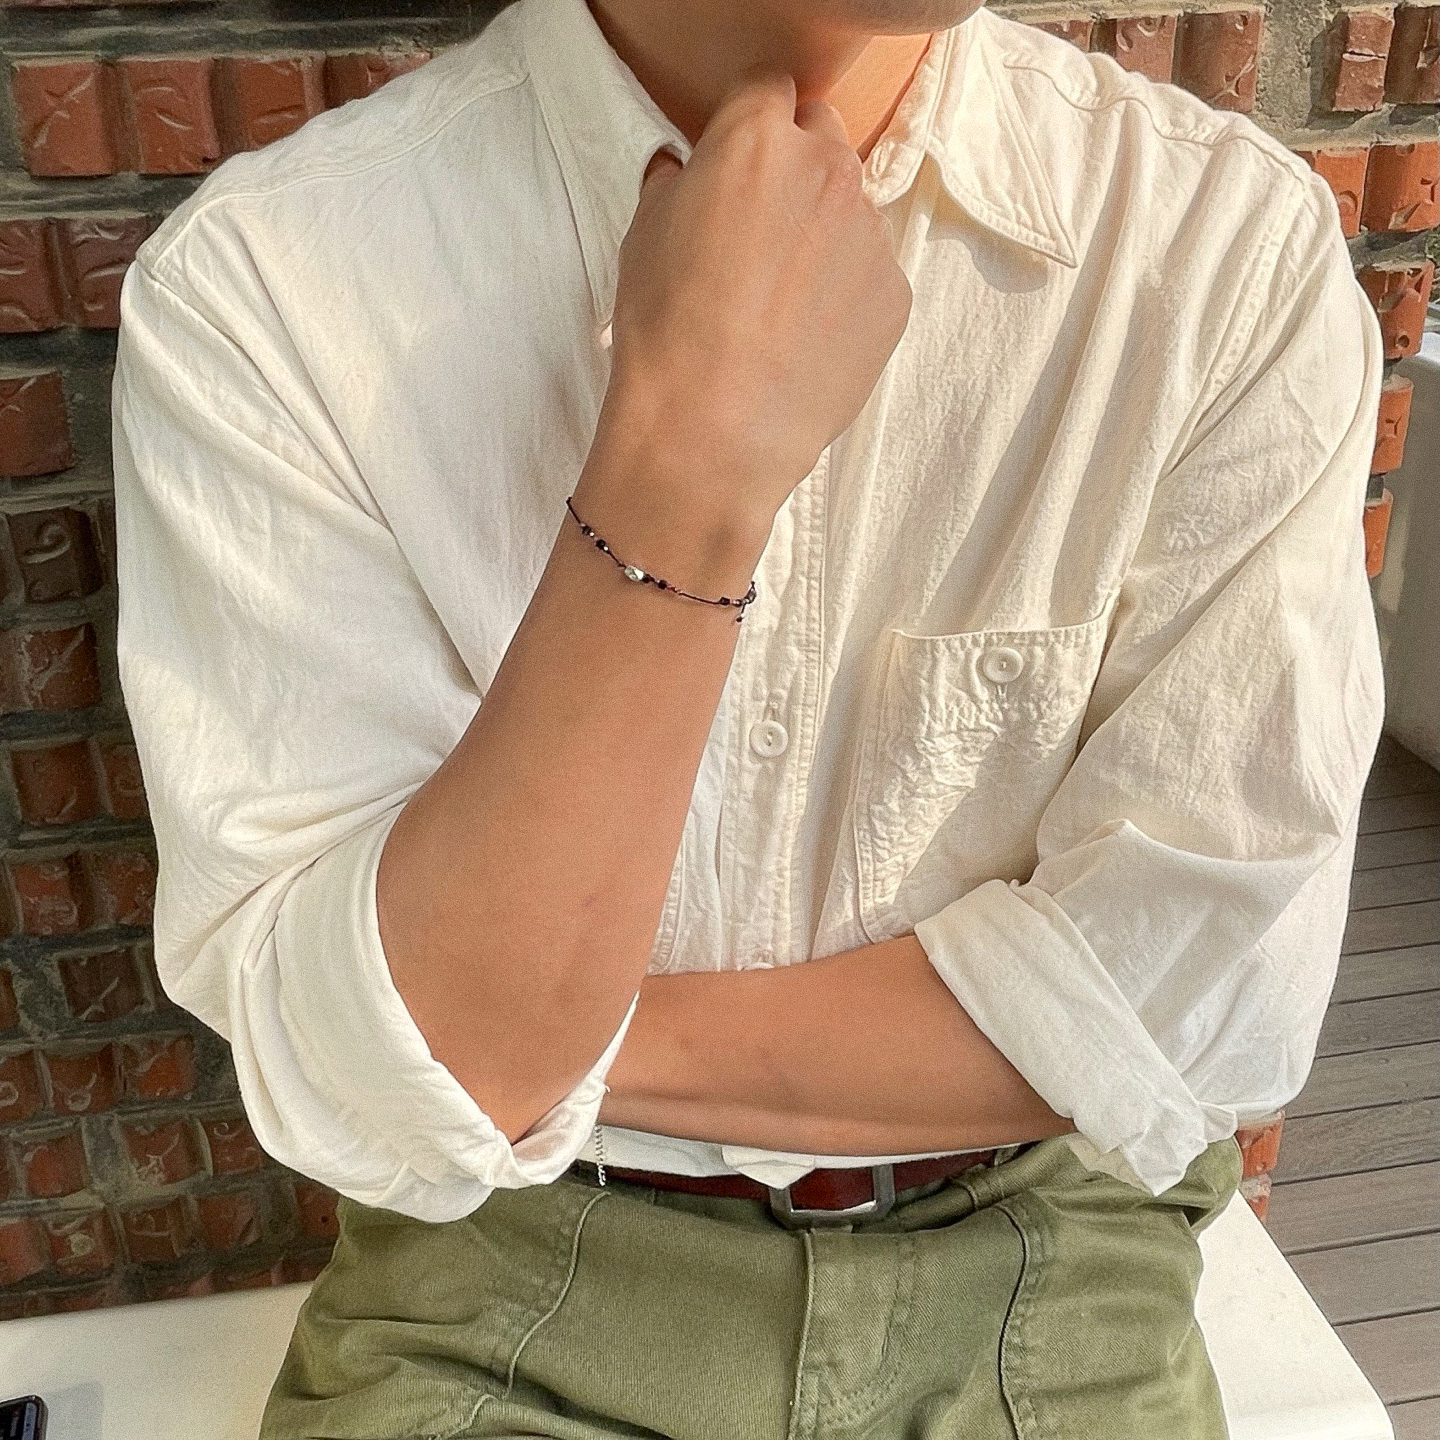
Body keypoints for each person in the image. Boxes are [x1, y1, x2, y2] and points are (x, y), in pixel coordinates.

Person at [109, 0, 1385, 1431]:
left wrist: (523, 1044)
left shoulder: (1217, 249)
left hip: (1048, 1247)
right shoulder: (276, 287)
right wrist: (684, 470)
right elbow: (371, 1083)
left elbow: (1203, 1003)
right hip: (511, 1263)